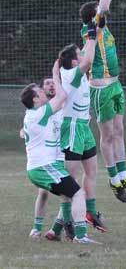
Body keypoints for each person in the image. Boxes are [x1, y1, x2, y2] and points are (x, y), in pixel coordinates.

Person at [79, 0, 126, 203]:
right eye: (98, 12)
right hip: (101, 89)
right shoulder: (91, 28)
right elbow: (104, 3)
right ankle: (114, 180)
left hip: (115, 85)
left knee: (119, 130)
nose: (104, 12)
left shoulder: (104, 27)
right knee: (107, 135)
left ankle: (124, 174)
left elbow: (105, 4)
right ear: (91, 17)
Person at [21, 60, 97, 244]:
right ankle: (79, 235)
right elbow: (62, 96)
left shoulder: (38, 112)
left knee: (69, 194)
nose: (45, 90)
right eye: (40, 91)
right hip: (43, 167)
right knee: (78, 193)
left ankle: (61, 230)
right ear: (35, 100)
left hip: (49, 165)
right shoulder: (40, 113)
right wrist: (56, 73)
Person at [59, 21, 108, 233]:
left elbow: (87, 53)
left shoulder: (76, 70)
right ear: (73, 61)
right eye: (77, 54)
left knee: (92, 171)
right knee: (70, 179)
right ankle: (66, 222)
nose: (82, 54)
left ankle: (90, 212)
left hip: (84, 126)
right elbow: (87, 59)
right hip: (71, 128)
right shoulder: (70, 74)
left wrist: (94, 30)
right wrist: (93, 36)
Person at [26, 76, 73, 241]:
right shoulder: (38, 109)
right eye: (47, 84)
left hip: (62, 154)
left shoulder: (63, 105)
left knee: (67, 194)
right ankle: (37, 228)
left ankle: (58, 229)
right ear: (40, 90)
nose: (51, 85)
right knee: (44, 193)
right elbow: (25, 129)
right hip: (46, 158)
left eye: (54, 82)